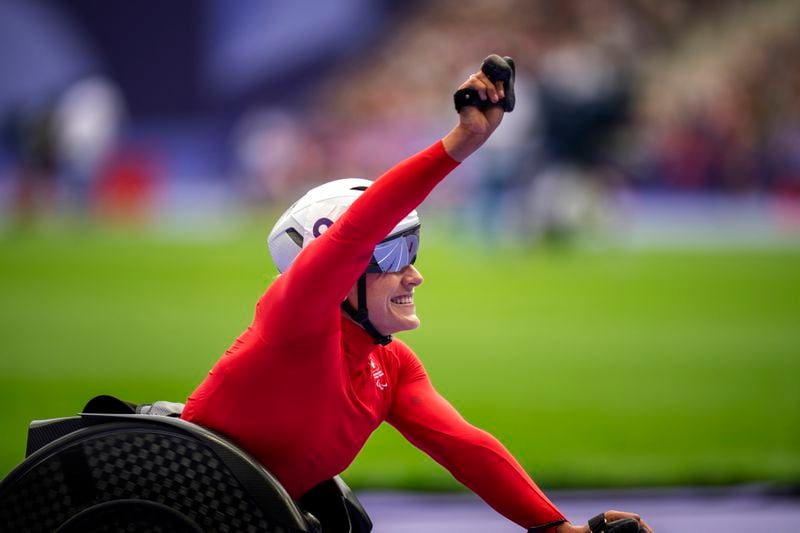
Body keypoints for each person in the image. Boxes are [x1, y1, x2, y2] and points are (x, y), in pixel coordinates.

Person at [182, 56, 653, 533]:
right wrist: (462, 142)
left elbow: (466, 449)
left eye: (412, 250)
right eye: (391, 256)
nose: (414, 275)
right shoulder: (295, 321)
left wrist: (556, 529)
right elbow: (359, 229)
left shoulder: (392, 365)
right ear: (338, 274)